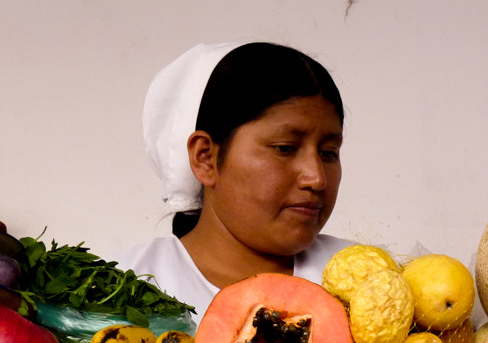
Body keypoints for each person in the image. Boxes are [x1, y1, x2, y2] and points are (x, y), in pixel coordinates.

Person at [111, 41, 354, 321]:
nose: (316, 178)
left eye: (328, 153)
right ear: (206, 158)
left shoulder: (369, 285)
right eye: (285, 148)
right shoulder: (118, 290)